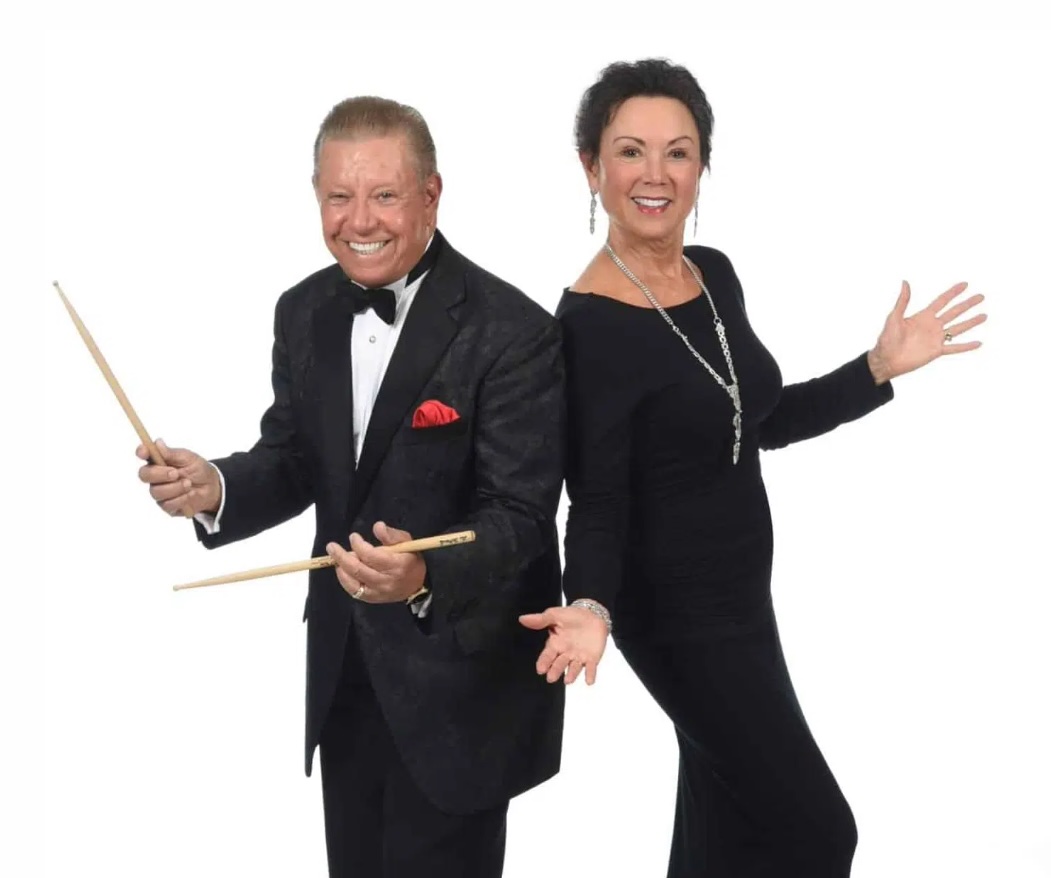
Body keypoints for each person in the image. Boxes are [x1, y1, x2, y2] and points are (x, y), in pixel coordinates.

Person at [519, 59, 986, 877]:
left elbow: (751, 423)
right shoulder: (586, 326)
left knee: (723, 823)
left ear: (702, 164)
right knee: (816, 829)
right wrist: (587, 602)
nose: (655, 175)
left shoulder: (714, 274)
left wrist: (873, 368)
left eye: (679, 151)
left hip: (743, 599)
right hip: (675, 618)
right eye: (630, 152)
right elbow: (593, 499)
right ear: (590, 167)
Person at [137, 95, 566, 878]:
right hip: (345, 670)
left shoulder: (514, 331)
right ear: (316, 196)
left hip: (458, 683)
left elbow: (521, 517)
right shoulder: (303, 310)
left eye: (383, 195)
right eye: (338, 196)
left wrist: (424, 572)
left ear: (430, 194)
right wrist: (215, 488)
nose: (357, 219)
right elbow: (295, 458)